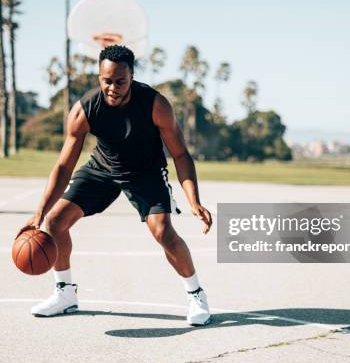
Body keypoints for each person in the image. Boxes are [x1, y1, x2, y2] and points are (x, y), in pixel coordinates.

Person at [18, 45, 213, 326]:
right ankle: (65, 294)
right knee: (54, 221)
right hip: (103, 168)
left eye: (120, 81)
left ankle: (196, 295)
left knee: (164, 233)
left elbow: (181, 154)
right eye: (106, 80)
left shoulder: (155, 104)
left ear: (132, 76)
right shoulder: (85, 110)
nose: (112, 87)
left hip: (146, 172)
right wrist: (39, 213)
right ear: (99, 76)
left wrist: (193, 201)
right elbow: (63, 167)